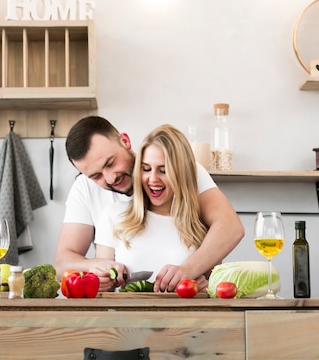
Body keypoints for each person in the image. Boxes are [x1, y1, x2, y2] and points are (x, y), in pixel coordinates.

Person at [54, 116, 244, 292]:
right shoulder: (89, 193)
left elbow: (229, 227)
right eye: (96, 176)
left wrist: (190, 271)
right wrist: (96, 268)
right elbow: (62, 262)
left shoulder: (184, 170)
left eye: (110, 163)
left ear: (125, 142)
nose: (110, 178)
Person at [94, 125, 211, 291]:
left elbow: (215, 290)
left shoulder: (201, 225)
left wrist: (204, 289)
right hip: (128, 317)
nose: (152, 179)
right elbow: (102, 296)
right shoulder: (112, 216)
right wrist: (103, 280)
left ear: (181, 173)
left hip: (187, 317)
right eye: (146, 169)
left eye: (163, 171)